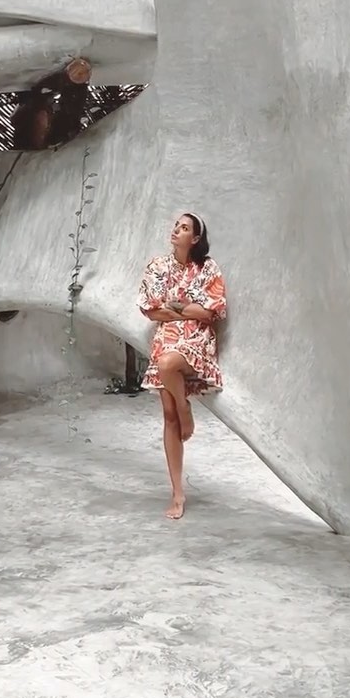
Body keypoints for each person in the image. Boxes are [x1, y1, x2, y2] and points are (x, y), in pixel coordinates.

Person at [138, 214, 227, 519]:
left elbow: (210, 313)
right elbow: (151, 312)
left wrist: (174, 308)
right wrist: (188, 309)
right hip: (166, 338)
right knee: (168, 415)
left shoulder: (208, 269)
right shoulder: (157, 267)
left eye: (185, 228)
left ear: (196, 238)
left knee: (167, 364)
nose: (176, 230)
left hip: (196, 341)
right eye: (176, 226)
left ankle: (185, 408)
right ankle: (177, 493)